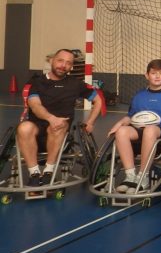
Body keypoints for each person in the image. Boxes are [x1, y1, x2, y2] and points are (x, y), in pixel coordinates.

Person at [17, 48, 102, 187]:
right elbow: (35, 105)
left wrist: (90, 122)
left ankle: (49, 171)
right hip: (36, 128)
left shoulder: (75, 84)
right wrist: (51, 118)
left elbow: (98, 100)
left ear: (71, 66)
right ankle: (34, 173)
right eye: (60, 60)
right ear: (51, 60)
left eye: (68, 63)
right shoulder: (36, 82)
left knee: (58, 126)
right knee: (24, 127)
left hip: (60, 130)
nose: (63, 65)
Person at [109, 59, 161, 193]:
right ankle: (130, 176)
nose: (157, 76)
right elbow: (130, 116)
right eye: (153, 73)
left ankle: (143, 176)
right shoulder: (139, 96)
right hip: (141, 130)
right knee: (122, 131)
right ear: (147, 75)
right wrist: (120, 123)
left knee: (150, 130)